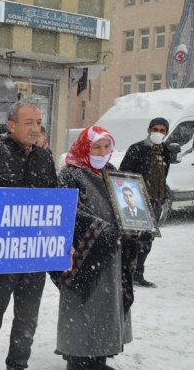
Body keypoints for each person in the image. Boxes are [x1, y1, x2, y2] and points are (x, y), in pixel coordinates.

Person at [0, 101, 57, 370]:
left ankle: (18, 365)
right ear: (11, 126)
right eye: (28, 122)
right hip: (0, 254)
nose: (35, 128)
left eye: (38, 122)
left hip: (33, 255)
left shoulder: (45, 159)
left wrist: (60, 242)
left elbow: (54, 206)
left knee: (27, 318)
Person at [53, 125, 134, 370]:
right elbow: (70, 213)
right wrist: (106, 232)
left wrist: (133, 221)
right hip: (86, 257)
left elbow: (127, 204)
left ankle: (99, 357)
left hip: (112, 256)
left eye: (106, 146)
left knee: (108, 308)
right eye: (95, 146)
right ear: (84, 147)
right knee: (84, 309)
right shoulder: (70, 175)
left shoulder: (111, 172)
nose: (101, 152)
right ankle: (78, 359)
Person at [119, 117, 173, 288]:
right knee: (132, 239)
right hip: (137, 201)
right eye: (155, 129)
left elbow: (163, 175)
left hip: (155, 200)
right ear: (148, 130)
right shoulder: (137, 149)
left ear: (166, 132)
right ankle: (125, 273)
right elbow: (124, 173)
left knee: (147, 240)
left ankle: (138, 274)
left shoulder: (166, 152)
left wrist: (162, 197)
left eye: (162, 130)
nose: (158, 133)